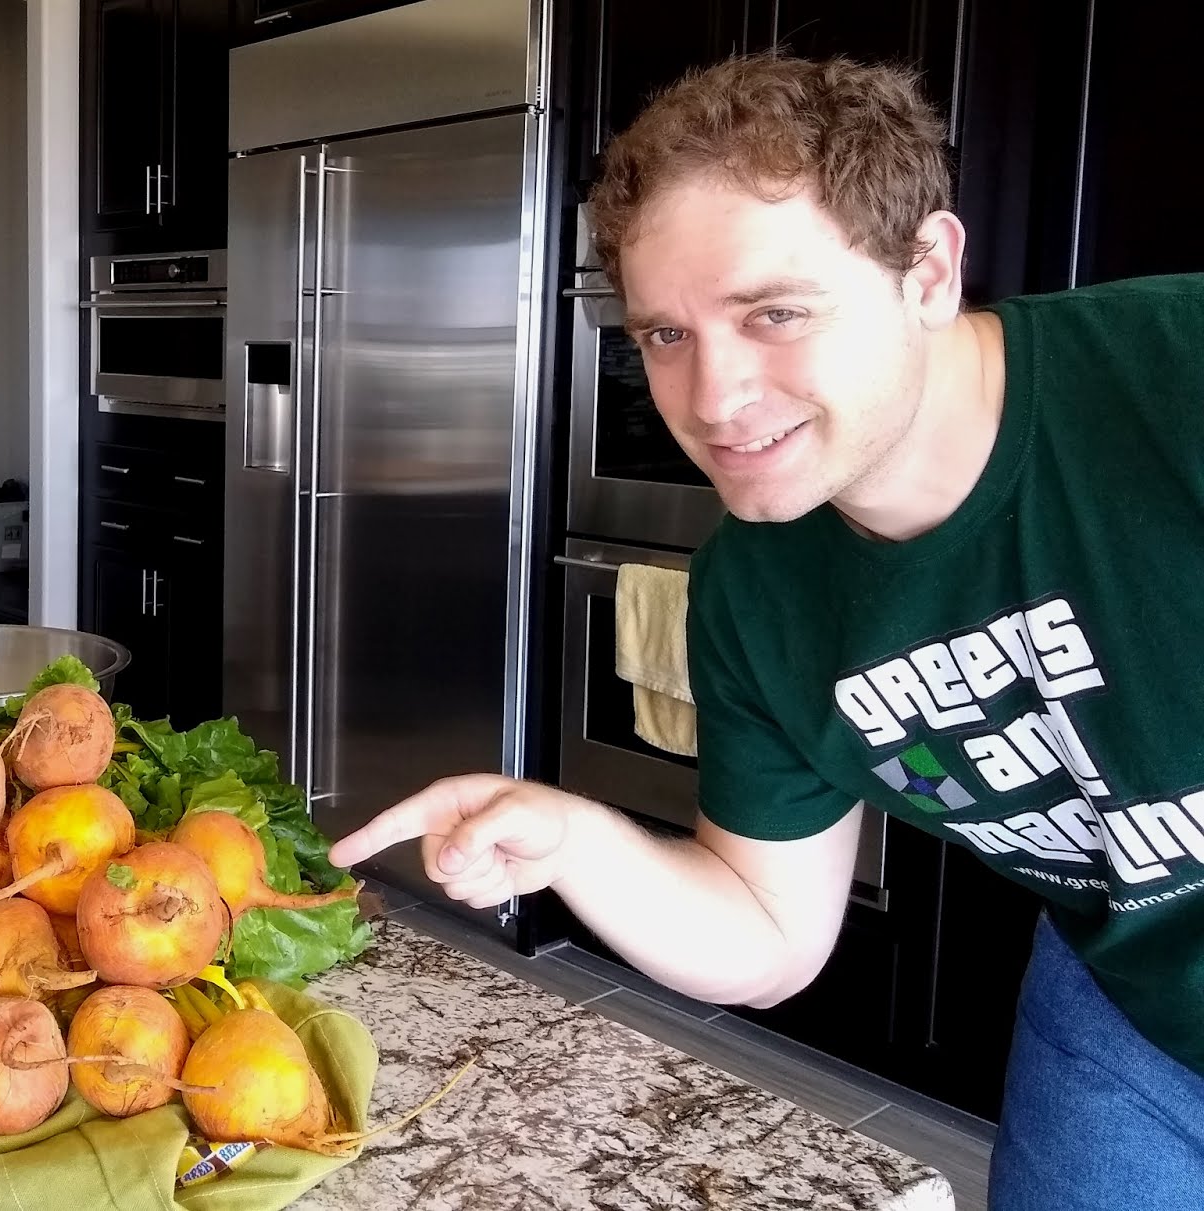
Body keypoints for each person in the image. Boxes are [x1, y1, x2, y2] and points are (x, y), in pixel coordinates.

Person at [327, 53, 1204, 1210]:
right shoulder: (756, 593)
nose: (714, 398)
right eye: (666, 336)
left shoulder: (1172, 378)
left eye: (775, 313)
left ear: (928, 271)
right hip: (1137, 994)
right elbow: (767, 931)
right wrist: (576, 839)